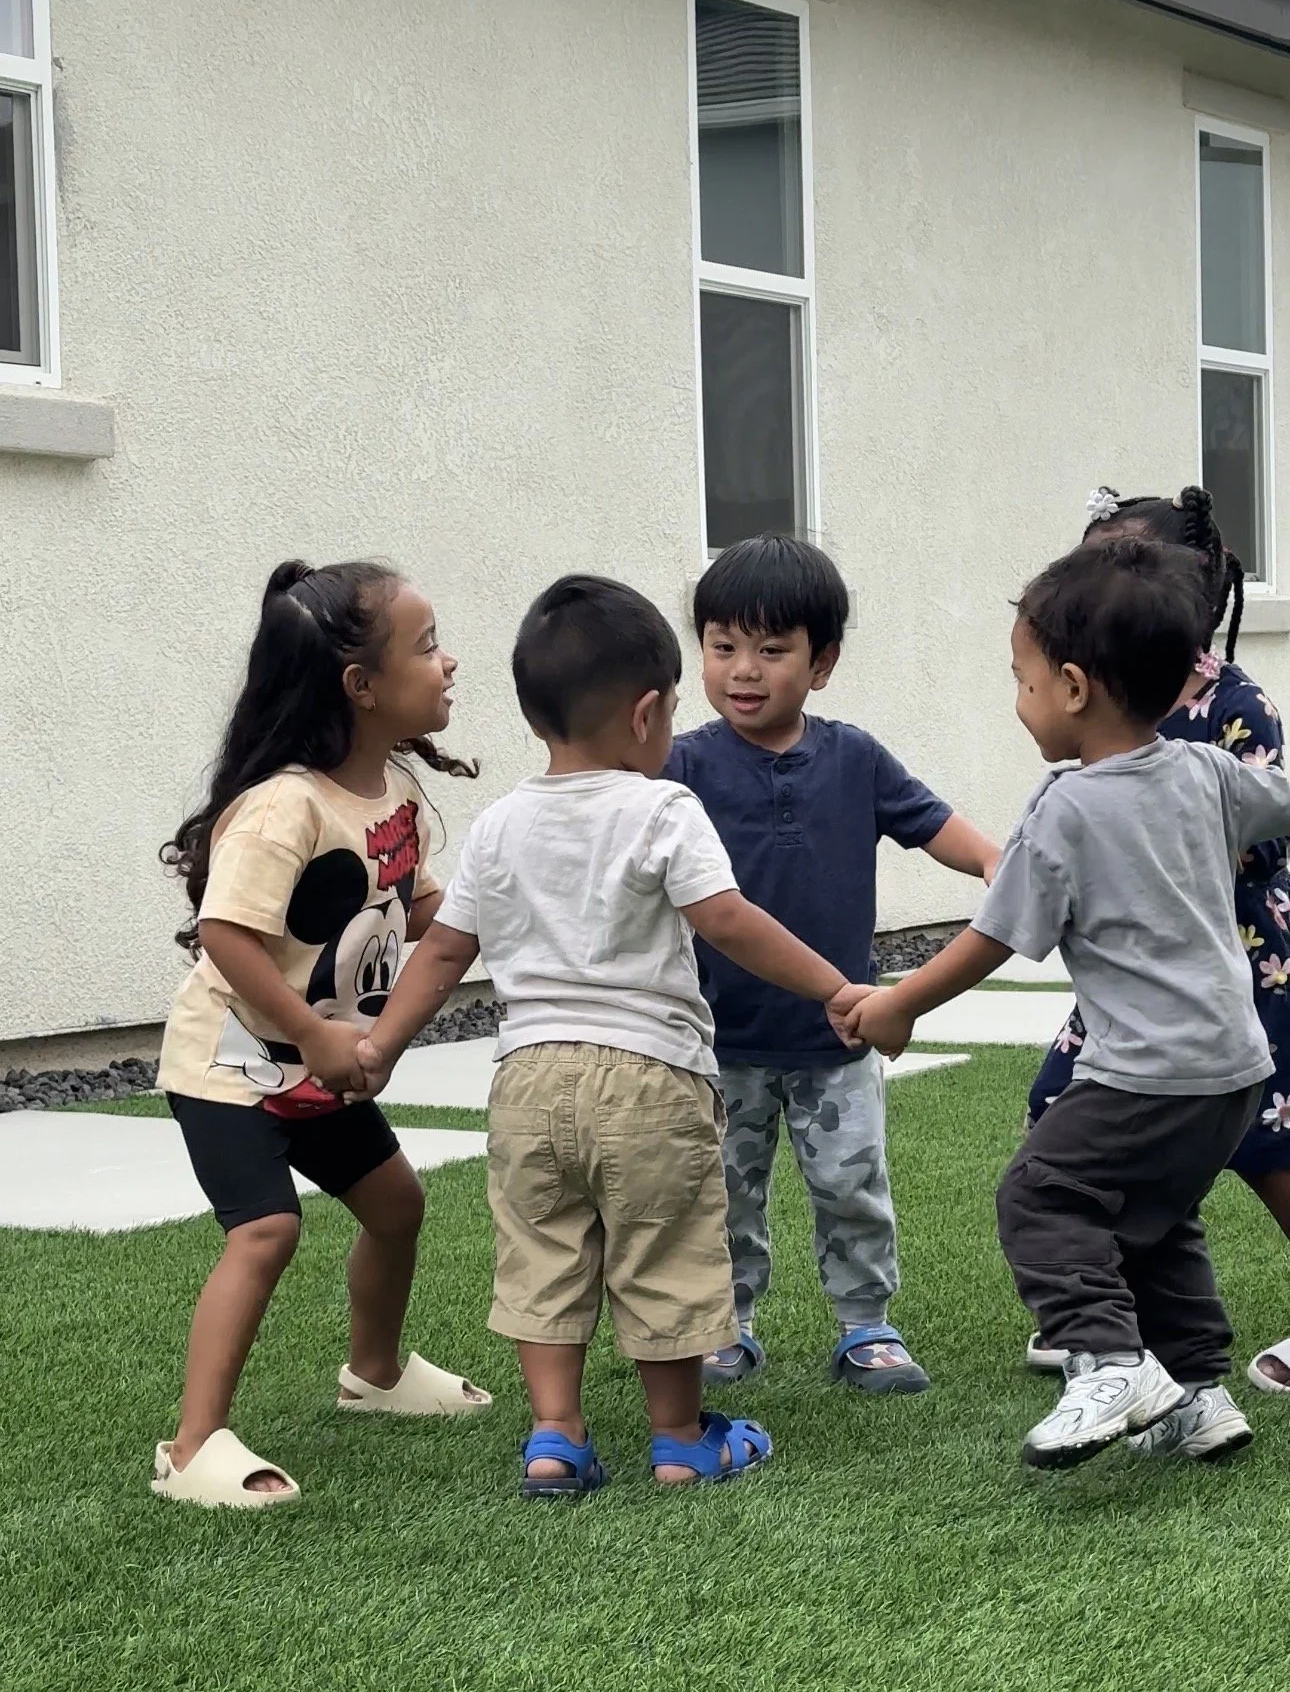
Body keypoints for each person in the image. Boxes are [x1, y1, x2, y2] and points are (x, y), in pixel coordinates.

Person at [350, 575, 867, 1496]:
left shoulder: (502, 822)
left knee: (545, 1250)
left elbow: (442, 955)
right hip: (651, 1077)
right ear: (646, 714)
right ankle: (679, 1438)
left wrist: (381, 1046)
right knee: (664, 1249)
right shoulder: (663, 808)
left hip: (528, 1078)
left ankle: (555, 1436)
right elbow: (730, 921)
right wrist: (834, 985)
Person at [849, 532, 1290, 1471]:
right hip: (1236, 1070)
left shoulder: (1066, 805)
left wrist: (900, 1005)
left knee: (1039, 1194)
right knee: (1154, 1216)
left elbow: (993, 937)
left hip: (1146, 1071)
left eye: (1024, 679)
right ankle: (1198, 1394)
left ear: (1077, 688)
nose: (1020, 702)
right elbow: (1282, 797)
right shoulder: (1207, 771)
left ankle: (1111, 1358)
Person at [153, 560, 492, 1509]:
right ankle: (190, 1447)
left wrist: (503, 908)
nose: (449, 661)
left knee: (397, 1206)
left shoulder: (393, 794)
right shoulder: (283, 806)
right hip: (231, 1061)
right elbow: (227, 932)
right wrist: (314, 1028)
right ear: (361, 685)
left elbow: (414, 908)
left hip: (319, 1061)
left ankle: (372, 1375)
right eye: (427, 646)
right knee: (265, 1229)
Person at [663, 535, 999, 1395]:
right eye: (723, 646)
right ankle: (725, 1324)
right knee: (723, 1197)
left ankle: (865, 1324)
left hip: (839, 1030)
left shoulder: (854, 757)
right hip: (717, 1036)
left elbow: (933, 823)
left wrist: (998, 863)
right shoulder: (682, 766)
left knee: (851, 1185)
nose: (744, 669)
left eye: (772, 650)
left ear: (823, 663)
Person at [1027, 486, 1290, 1400]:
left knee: (1268, 1148)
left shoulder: (1234, 709)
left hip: (1239, 952)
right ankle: (1118, 1324)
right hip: (1136, 968)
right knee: (1068, 1113)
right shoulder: (1110, 690)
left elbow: (1261, 828)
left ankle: (1116, 1348)